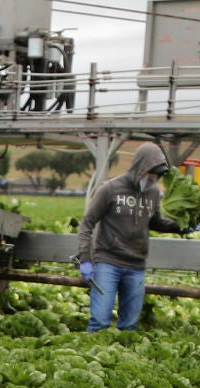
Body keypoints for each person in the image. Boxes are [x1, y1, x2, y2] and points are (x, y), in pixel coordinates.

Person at [75, 142, 182, 332]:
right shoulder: (110, 189)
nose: (153, 178)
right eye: (151, 173)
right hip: (108, 261)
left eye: (157, 175)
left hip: (136, 266)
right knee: (100, 321)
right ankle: (92, 354)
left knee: (130, 325)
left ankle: (122, 355)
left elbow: (155, 222)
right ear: (141, 167)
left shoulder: (154, 193)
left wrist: (181, 226)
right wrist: (85, 259)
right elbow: (87, 224)